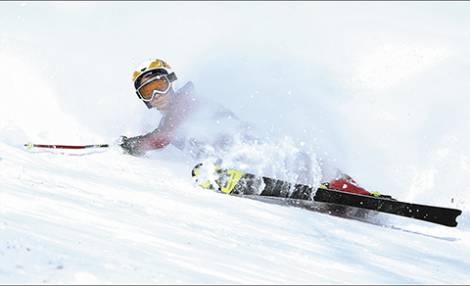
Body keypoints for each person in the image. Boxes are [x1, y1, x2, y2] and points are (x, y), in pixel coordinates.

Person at [119, 58, 383, 198]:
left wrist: (136, 144)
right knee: (290, 165)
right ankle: (339, 193)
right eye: (149, 92)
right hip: (233, 155)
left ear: (171, 82)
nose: (158, 95)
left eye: (160, 86)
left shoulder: (184, 102)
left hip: (245, 142)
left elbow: (163, 137)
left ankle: (353, 190)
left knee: (295, 161)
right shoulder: (167, 119)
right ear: (144, 100)